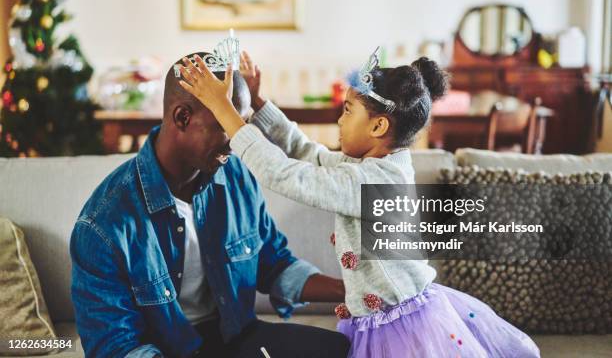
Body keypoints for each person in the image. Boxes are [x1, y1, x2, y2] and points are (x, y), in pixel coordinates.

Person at [177, 47, 541, 358]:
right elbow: (308, 154)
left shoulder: (372, 182)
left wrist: (224, 110)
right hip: (379, 317)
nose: (339, 119)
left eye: (348, 110)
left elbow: (285, 175)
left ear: (379, 126)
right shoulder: (375, 167)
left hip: (398, 328)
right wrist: (258, 106)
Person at [70, 52, 350, 358]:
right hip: (164, 352)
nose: (237, 139)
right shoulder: (103, 224)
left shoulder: (236, 175)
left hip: (237, 338)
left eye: (241, 124)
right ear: (182, 118)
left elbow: (275, 265)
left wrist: (352, 290)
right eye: (225, 124)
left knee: (342, 350)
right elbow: (116, 348)